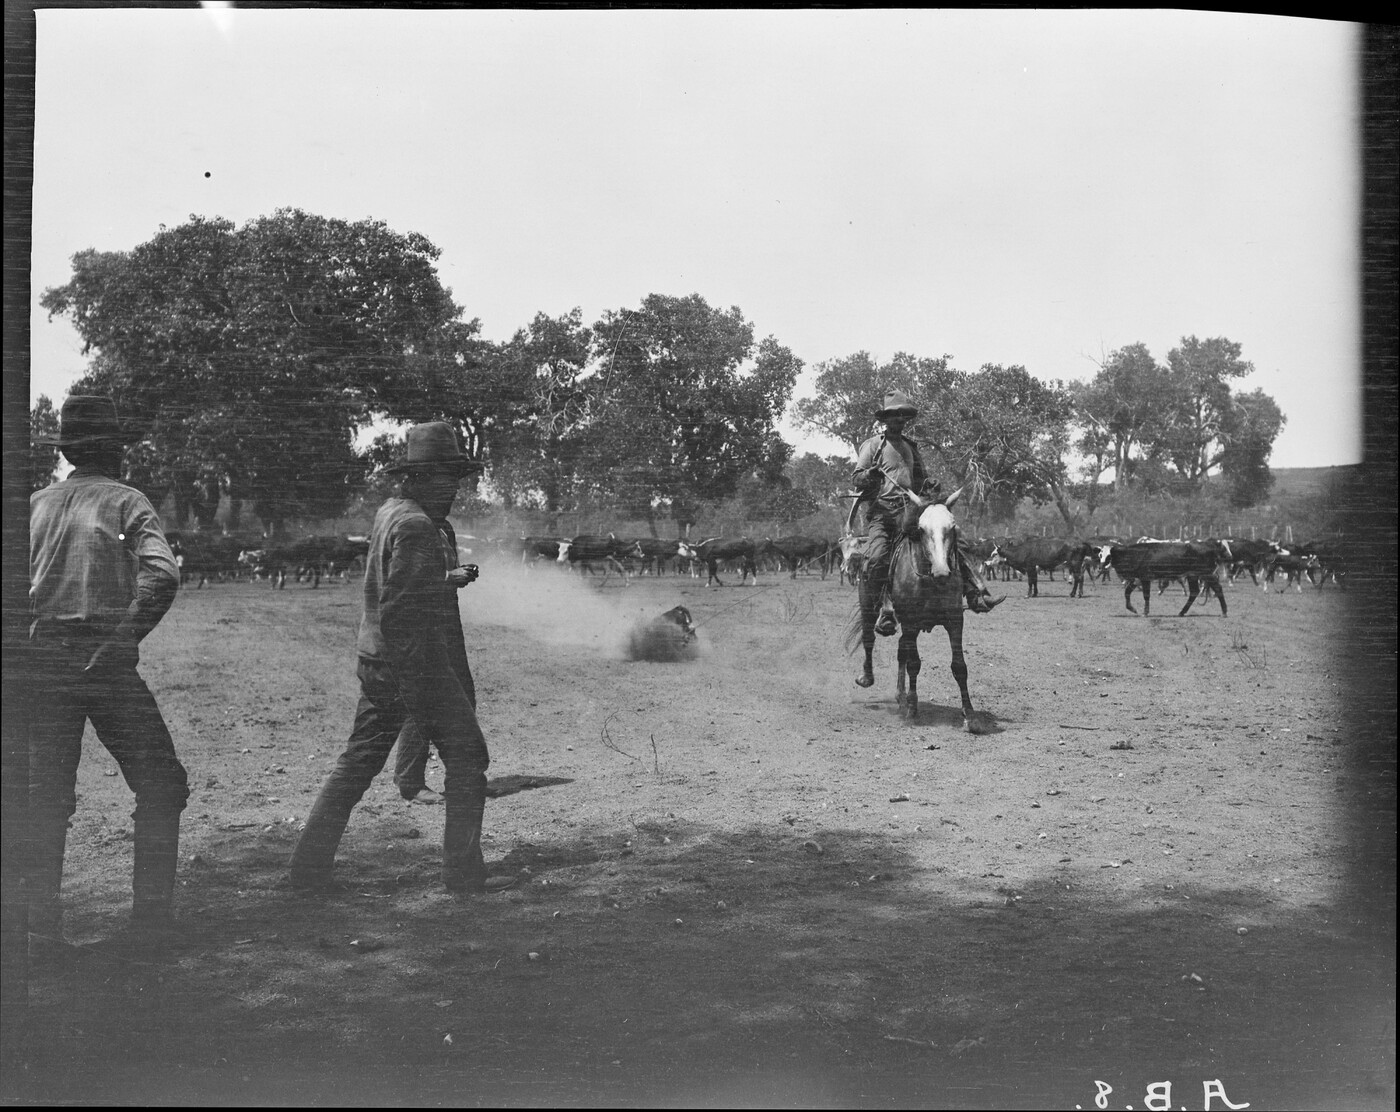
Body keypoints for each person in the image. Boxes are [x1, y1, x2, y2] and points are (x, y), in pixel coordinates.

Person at [288, 422, 493, 894]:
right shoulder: (419, 526)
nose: (454, 490)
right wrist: (422, 691)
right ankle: (463, 876)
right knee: (467, 756)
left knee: (357, 763)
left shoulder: (390, 513)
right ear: (418, 478)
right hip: (411, 663)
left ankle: (306, 872)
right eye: (446, 478)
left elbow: (399, 592)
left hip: (377, 660)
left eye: (457, 479)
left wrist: (444, 579)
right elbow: (402, 612)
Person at [27, 395, 189, 959]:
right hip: (106, 659)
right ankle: (151, 923)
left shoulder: (36, 505)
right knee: (162, 783)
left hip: (43, 658)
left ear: (70, 451)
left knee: (44, 794)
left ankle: (39, 929)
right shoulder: (126, 501)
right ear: (113, 451)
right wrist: (121, 640)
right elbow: (162, 576)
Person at [852, 390, 1001, 645]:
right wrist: (871, 476)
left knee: (952, 538)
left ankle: (975, 591)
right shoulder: (873, 446)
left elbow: (920, 480)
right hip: (883, 515)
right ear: (885, 419)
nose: (900, 420)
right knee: (876, 557)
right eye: (894, 415)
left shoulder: (910, 447)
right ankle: (884, 608)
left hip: (912, 511)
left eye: (903, 415)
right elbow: (856, 478)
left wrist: (929, 486)